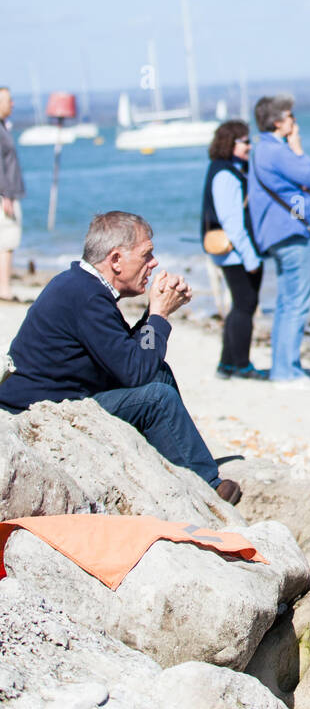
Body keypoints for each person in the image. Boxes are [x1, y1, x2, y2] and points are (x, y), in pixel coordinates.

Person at [0, 211, 241, 504]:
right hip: (37, 410)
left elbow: (129, 355)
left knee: (159, 372)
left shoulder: (82, 285)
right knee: (156, 398)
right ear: (115, 260)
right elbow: (134, 371)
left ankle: (181, 461)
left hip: (61, 394)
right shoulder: (86, 296)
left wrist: (152, 317)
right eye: (146, 255)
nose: (154, 263)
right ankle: (207, 487)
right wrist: (158, 316)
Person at [247, 95, 310, 389]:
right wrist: (298, 149)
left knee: (285, 302)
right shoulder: (276, 150)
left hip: (274, 232)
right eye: (290, 116)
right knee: (296, 303)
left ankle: (282, 368)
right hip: (289, 232)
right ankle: (287, 372)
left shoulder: (259, 150)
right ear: (278, 122)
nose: (295, 122)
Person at [201, 120, 266, 380]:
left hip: (230, 251)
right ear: (231, 143)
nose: (250, 146)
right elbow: (232, 222)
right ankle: (240, 364)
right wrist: (251, 258)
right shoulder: (226, 174)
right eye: (245, 141)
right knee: (244, 305)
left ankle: (227, 364)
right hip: (235, 252)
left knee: (239, 306)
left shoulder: (224, 169)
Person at [0, 87, 25, 302]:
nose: (12, 104)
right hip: (4, 195)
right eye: (8, 100)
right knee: (7, 242)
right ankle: (4, 289)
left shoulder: (3, 127)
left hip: (6, 193)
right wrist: (5, 194)